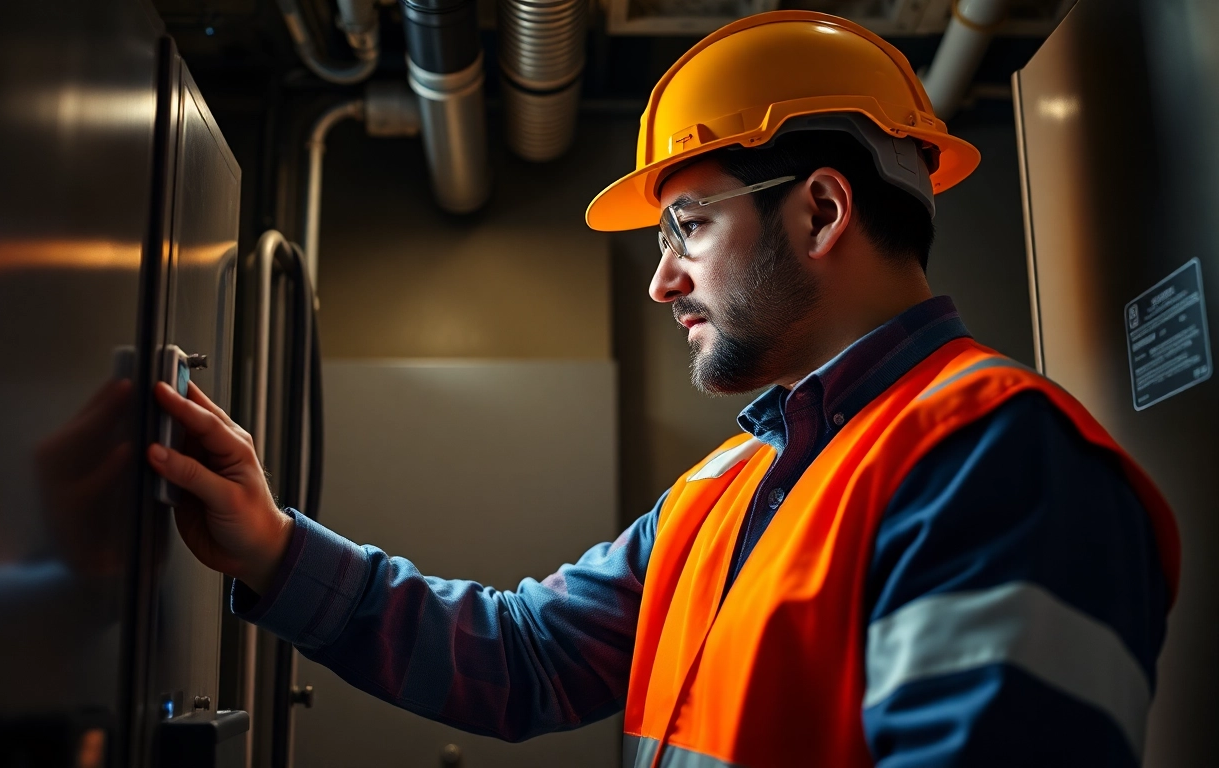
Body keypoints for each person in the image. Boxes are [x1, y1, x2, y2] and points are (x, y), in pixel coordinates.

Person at [147, 10, 1180, 768]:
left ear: (821, 211)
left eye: (688, 226)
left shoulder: (997, 462)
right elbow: (527, 656)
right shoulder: (734, 481)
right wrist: (272, 546)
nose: (660, 279)